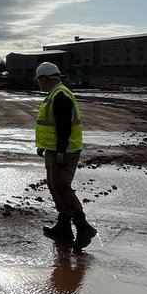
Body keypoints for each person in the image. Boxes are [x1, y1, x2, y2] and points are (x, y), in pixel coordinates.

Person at [34, 61, 97, 252]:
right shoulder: (55, 94)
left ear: (45, 78)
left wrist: (60, 150)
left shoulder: (61, 95)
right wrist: (44, 147)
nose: (38, 83)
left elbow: (64, 127)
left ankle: (83, 226)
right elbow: (52, 125)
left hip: (65, 151)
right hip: (54, 149)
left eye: (39, 80)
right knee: (54, 187)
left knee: (62, 188)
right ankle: (63, 228)